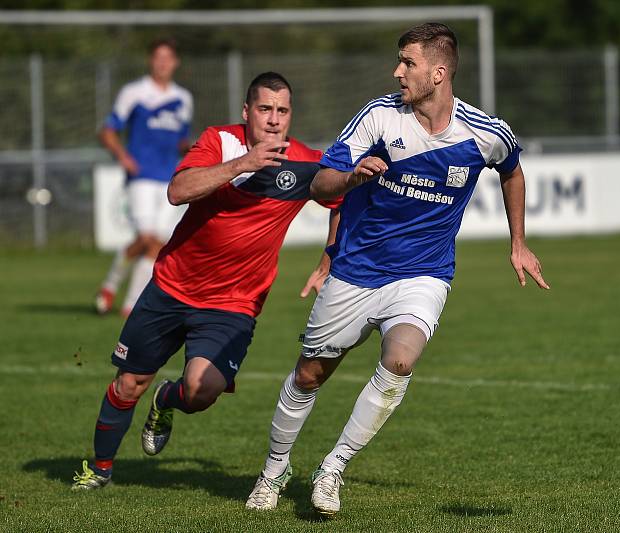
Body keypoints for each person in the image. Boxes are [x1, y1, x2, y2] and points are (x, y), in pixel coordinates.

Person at [245, 23, 549, 515]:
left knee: (401, 361)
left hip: (424, 272)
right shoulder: (379, 117)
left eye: (408, 62)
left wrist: (519, 241)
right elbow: (321, 183)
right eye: (399, 61)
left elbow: (512, 169)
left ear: (439, 71)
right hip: (357, 271)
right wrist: (350, 176)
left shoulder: (484, 133)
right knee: (309, 376)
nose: (398, 71)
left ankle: (332, 469)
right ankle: (273, 471)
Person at [71, 72, 341, 490]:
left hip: (234, 304)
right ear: (246, 112)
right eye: (265, 109)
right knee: (128, 383)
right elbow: (177, 190)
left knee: (201, 390)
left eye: (282, 111)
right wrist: (241, 165)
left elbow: (341, 198)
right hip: (172, 287)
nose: (273, 119)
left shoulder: (306, 161)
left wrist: (329, 257)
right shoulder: (219, 141)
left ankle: (166, 399)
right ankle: (100, 470)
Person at [95, 38, 193, 317]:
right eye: (158, 57)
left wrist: (191, 150)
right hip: (141, 177)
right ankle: (113, 286)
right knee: (147, 238)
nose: (163, 63)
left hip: (170, 180)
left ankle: (129, 304)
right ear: (151, 61)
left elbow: (181, 139)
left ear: (175, 63)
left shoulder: (183, 98)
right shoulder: (134, 92)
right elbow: (108, 130)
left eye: (168, 58)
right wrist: (123, 157)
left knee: (156, 243)